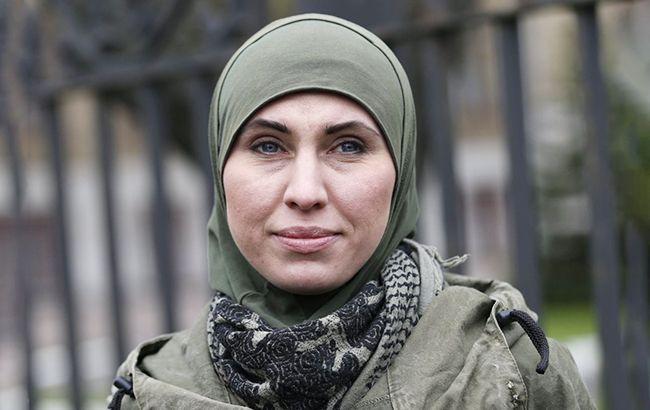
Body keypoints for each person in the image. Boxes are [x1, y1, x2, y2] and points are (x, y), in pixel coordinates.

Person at [109, 13, 594, 409]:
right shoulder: (152, 392)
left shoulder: (511, 368)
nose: (305, 192)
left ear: (399, 171)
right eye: (268, 146)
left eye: (347, 146)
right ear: (221, 173)